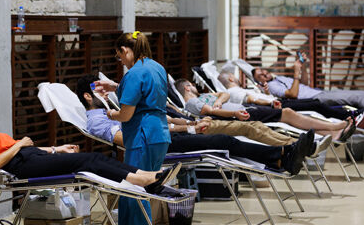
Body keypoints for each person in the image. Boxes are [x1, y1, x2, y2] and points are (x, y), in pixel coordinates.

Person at [76, 74, 315, 175]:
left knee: (228, 139)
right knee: (224, 142)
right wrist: (184, 128)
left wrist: (180, 125)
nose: (105, 92)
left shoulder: (115, 110)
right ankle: (282, 155)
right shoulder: (97, 118)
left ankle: (283, 155)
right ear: (88, 96)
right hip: (157, 145)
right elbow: (125, 140)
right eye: (99, 90)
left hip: (165, 136)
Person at [0, 106, 178, 193]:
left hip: (30, 157)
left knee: (93, 157)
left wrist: (57, 149)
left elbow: (23, 149)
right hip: (23, 166)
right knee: (87, 162)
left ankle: (143, 176)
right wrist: (19, 143)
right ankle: (139, 179)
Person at [90, 31, 171, 225]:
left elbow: (125, 114)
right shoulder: (155, 67)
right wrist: (116, 86)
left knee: (136, 191)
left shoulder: (134, 73)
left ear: (126, 51)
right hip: (157, 134)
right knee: (128, 190)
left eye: (120, 57)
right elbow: (146, 92)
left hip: (142, 137)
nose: (121, 61)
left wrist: (110, 113)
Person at [174, 78, 355, 143]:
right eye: (192, 84)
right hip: (242, 114)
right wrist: (233, 113)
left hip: (245, 110)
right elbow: (209, 112)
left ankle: (333, 134)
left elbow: (224, 95)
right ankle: (333, 129)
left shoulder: (206, 95)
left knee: (288, 115)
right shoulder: (192, 103)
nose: (195, 86)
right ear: (187, 88)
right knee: (288, 114)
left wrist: (219, 101)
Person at [218, 71, 353, 120]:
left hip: (275, 103)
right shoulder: (233, 92)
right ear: (231, 79)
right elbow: (253, 100)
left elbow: (256, 98)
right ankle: (348, 116)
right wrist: (270, 102)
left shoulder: (237, 90)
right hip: (275, 106)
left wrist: (266, 94)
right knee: (315, 104)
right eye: (234, 76)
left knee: (315, 103)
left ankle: (347, 114)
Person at [252, 52, 364, 110]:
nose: (263, 73)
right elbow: (293, 94)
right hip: (316, 98)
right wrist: (296, 72)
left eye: (262, 70)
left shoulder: (278, 78)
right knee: (354, 97)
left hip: (318, 92)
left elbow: (304, 84)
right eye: (259, 76)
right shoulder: (272, 86)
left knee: (355, 95)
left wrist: (303, 66)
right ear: (260, 83)